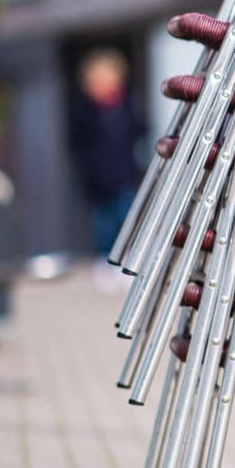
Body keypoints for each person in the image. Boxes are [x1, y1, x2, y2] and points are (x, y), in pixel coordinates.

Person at [69, 47, 146, 289]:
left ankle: (126, 261)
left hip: (124, 176)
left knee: (127, 219)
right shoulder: (85, 113)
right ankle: (105, 262)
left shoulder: (127, 106)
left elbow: (139, 133)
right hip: (98, 180)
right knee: (103, 224)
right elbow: (76, 144)